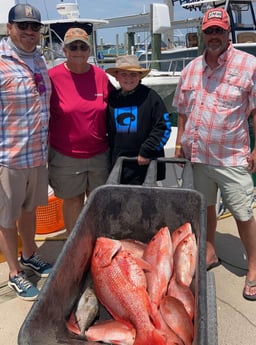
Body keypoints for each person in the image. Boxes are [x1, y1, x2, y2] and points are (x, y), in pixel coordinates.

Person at [173, 7, 256, 300]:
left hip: (231, 156)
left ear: (228, 32)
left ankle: (254, 267)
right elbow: (182, 108)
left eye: (219, 30)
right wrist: (180, 141)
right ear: (203, 33)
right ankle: (209, 250)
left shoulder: (249, 65)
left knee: (242, 212)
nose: (214, 36)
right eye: (209, 31)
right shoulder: (191, 68)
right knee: (205, 206)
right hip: (198, 155)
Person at [0, 3, 52, 301]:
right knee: (5, 218)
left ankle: (30, 252)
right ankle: (14, 272)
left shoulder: (39, 61)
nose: (30, 32)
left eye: (35, 27)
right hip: (8, 157)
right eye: (23, 26)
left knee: (29, 209)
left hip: (37, 155)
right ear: (10, 29)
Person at [48, 27, 114, 234]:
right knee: (73, 202)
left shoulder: (101, 76)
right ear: (64, 50)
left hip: (99, 154)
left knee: (99, 202)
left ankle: (97, 246)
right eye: (72, 46)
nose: (78, 50)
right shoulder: (52, 77)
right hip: (66, 156)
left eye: (82, 46)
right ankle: (74, 245)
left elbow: (115, 107)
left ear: (89, 50)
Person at [106, 55, 171, 184]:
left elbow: (164, 127)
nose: (128, 78)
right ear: (116, 77)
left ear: (140, 76)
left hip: (145, 163)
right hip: (119, 164)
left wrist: (147, 150)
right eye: (124, 74)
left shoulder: (151, 97)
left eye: (133, 74)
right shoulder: (112, 99)